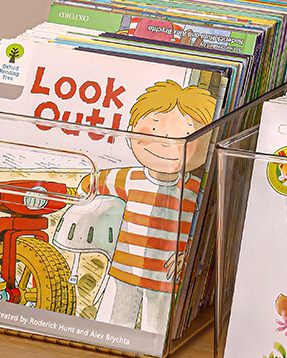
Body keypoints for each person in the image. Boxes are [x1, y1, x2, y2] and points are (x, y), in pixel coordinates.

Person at [78, 79, 217, 335]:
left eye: (183, 135)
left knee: (157, 330)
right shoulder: (129, 178)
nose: (165, 142)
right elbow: (90, 182)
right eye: (154, 128)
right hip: (124, 271)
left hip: (165, 277)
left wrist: (189, 255)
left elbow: (203, 227)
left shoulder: (194, 190)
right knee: (113, 324)